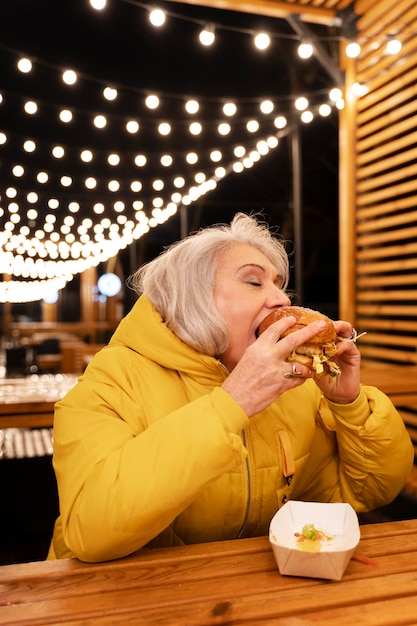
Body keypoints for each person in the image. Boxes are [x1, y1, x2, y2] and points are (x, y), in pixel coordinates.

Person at [48, 213, 414, 563]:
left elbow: (369, 492)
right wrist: (233, 402)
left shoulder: (296, 384)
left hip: (260, 590)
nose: (283, 300)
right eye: (254, 281)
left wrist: (349, 403)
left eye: (279, 284)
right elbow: (90, 532)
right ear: (193, 299)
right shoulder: (111, 378)